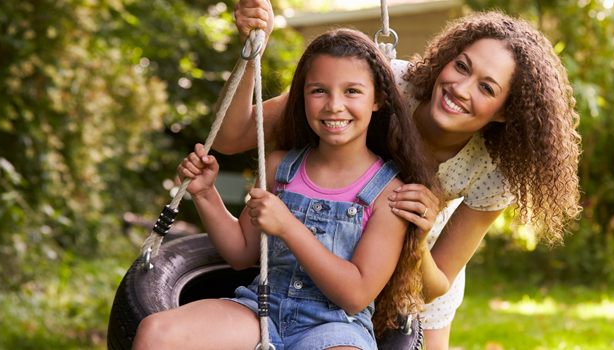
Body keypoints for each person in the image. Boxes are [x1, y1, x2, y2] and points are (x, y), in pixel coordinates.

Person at [220, 2, 582, 349]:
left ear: (505, 112)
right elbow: (229, 137)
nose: (460, 87)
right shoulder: (384, 84)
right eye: (461, 66)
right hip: (324, 237)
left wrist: (418, 238)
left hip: (416, 256)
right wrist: (252, 54)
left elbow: (435, 283)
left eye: (487, 88)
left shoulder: (493, 170)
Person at [133, 28, 438, 350]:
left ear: (378, 99)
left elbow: (355, 294)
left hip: (336, 325)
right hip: (262, 308)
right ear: (301, 97)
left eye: (352, 91)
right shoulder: (280, 168)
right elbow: (241, 253)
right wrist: (205, 192)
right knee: (157, 332)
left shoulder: (390, 193)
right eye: (319, 91)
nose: (334, 105)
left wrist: (288, 226)